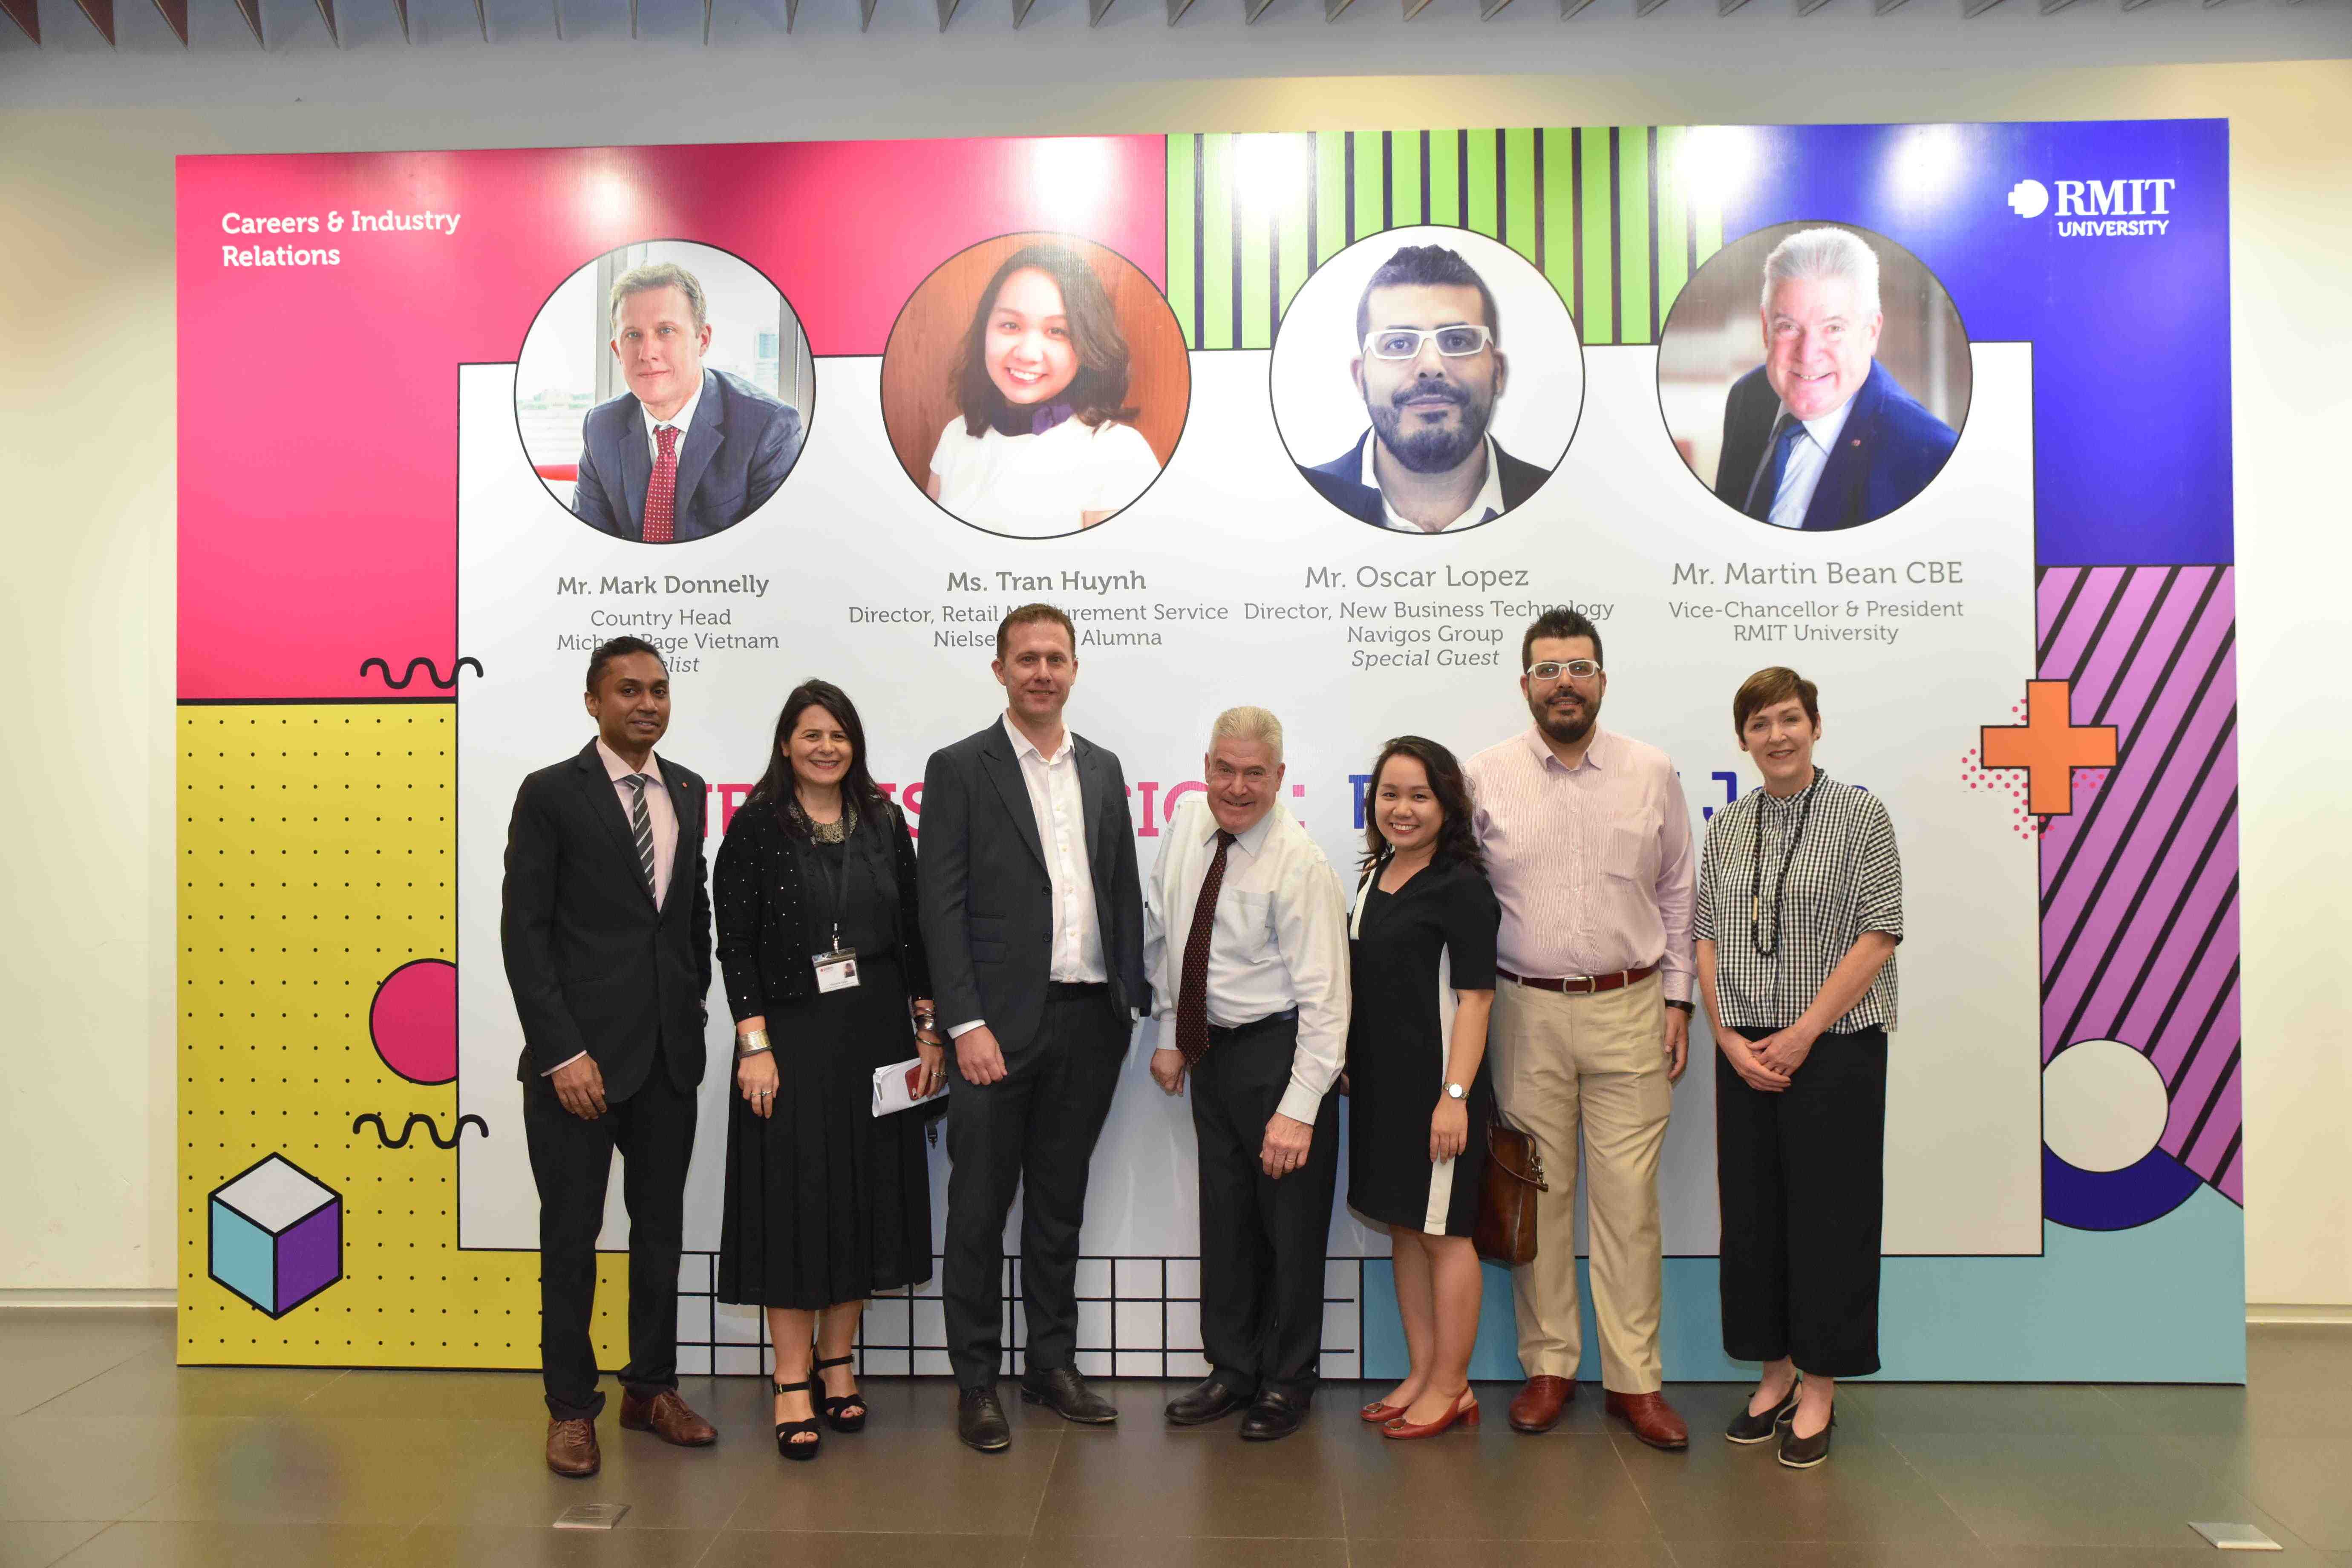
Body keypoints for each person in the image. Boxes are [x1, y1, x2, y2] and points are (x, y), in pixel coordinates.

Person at [1463, 607, 1696, 1450]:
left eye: (1580, 667)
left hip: (1633, 1007)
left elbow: (1677, 890)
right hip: (1525, 1008)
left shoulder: (1651, 770)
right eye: (1548, 668)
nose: (1565, 681)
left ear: (1602, 678)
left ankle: (1636, 1381)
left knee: (1629, 1206)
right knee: (1540, 1196)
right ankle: (1551, 1364)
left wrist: (1678, 999)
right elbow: (1464, 901)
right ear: (1525, 684)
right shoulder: (1484, 776)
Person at [917, 603, 1148, 1452]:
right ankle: (976, 1381)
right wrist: (963, 1022)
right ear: (1001, 670)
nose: (1042, 671)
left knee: (1059, 1208)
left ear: (1076, 668)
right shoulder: (959, 768)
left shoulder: (1105, 768)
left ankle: (1050, 1366)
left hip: (1089, 1022)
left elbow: (1119, 886)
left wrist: (1128, 1002)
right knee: (978, 1210)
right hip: (995, 1032)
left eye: (1056, 657)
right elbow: (939, 907)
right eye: (1027, 658)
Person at [499, 635, 718, 1478]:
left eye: (659, 689)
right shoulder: (553, 793)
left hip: (669, 1058)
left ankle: (651, 1388)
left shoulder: (690, 791)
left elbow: (685, 912)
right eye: (628, 690)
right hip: (580, 1069)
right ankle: (569, 1407)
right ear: (594, 701)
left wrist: (693, 1005)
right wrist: (562, 1052)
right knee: (572, 1238)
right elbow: (527, 933)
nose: (648, 704)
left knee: (660, 1232)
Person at [714, 680, 945, 1462]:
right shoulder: (754, 829)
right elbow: (735, 947)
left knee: (861, 1199)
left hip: (876, 1033)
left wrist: (927, 1030)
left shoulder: (884, 822)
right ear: (786, 744)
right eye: (811, 734)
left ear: (855, 744)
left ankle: (840, 1368)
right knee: (793, 1204)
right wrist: (754, 1047)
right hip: (790, 1040)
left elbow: (915, 933)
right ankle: (790, 1381)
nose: (826, 747)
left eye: (839, 734)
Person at [1696, 667, 1902, 1470]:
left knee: (1831, 1219)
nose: (1776, 735)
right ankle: (1772, 1371)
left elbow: (1880, 932)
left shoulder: (1860, 815)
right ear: (1742, 739)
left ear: (1816, 726)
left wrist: (1804, 1032)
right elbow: (1705, 936)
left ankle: (1820, 1386)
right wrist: (1727, 1038)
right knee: (1752, 1219)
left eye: (1789, 719)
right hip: (1744, 1052)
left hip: (1837, 1047)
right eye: (1759, 723)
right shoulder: (1727, 827)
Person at [1144, 707, 1351, 1443]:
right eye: (1225, 770)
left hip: (1284, 1055)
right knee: (1226, 1220)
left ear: (1280, 778)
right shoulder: (1185, 831)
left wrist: (1299, 1108)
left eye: (1254, 773)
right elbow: (1170, 936)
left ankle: (1288, 1379)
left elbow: (1329, 1001)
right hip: (1212, 1054)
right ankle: (1232, 1369)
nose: (1237, 787)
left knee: (1289, 1230)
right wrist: (1171, 1033)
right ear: (1206, 768)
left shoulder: (1300, 862)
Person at [1344, 736, 1500, 1441]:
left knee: (1446, 1235)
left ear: (1446, 804)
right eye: (1389, 794)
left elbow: (1475, 1000)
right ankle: (1421, 1371)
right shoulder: (1375, 873)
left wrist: (1455, 1097)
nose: (1401, 809)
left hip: (1441, 1097)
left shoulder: (1462, 885)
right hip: (1380, 1092)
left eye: (1418, 796)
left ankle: (1452, 1386)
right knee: (1406, 1230)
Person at [1711, 227, 1959, 532]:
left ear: (1871, 333)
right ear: (1766, 328)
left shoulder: (1932, 455)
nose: (1808, 353)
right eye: (1789, 327)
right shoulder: (1747, 398)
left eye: (1834, 328)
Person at [1297, 243, 1554, 533]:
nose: (1431, 365)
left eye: (1457, 341)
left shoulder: (1562, 506)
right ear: (1360, 378)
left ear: (1498, 372)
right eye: (1398, 344)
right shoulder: (1297, 510)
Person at [925, 243, 1164, 536]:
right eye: (1010, 325)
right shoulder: (956, 434)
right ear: (984, 332)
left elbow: (1115, 578)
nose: (1028, 353)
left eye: (1058, 331)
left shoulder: (1117, 451)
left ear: (1087, 345)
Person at [571, 260, 806, 543]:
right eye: (633, 335)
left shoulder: (769, 426)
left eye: (666, 331)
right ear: (617, 351)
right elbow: (586, 547)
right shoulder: (600, 427)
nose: (647, 353)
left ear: (703, 340)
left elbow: (779, 553)